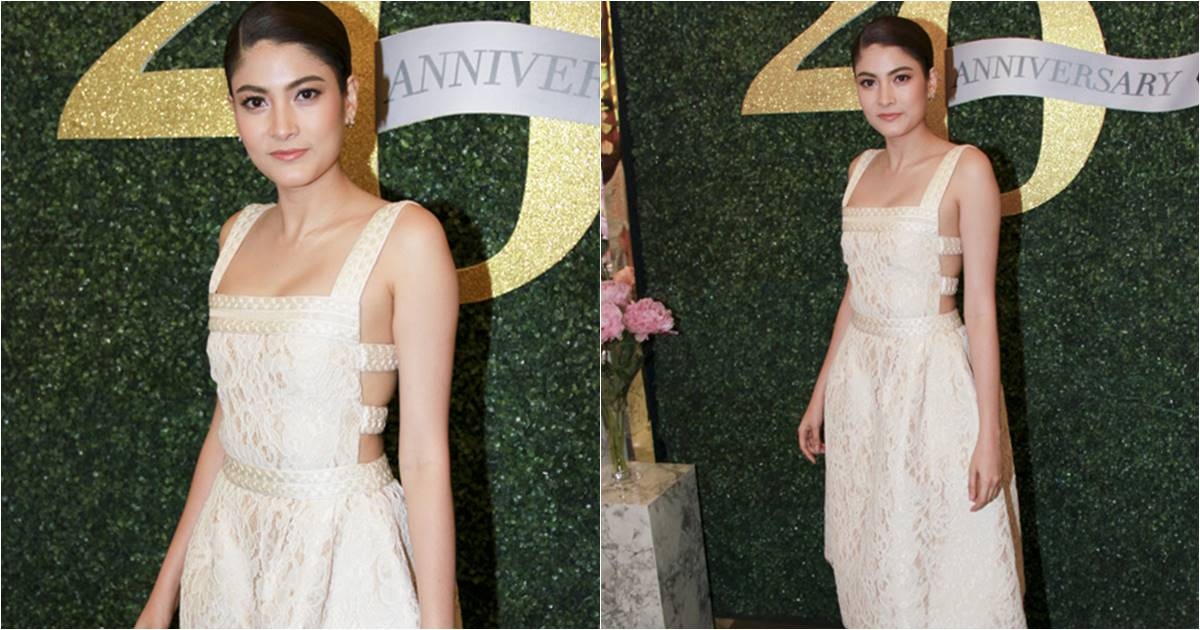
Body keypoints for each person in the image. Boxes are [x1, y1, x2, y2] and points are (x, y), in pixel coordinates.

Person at [134, 3, 459, 627]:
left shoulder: (407, 239)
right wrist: (161, 597)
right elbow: (230, 425)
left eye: (306, 94)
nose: (282, 126)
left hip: (346, 560)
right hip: (228, 559)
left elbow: (423, 456)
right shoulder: (236, 234)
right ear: (234, 112)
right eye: (255, 101)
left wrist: (438, 622)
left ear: (350, 98)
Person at [795, 15, 1026, 628]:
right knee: (870, 553)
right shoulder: (859, 168)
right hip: (861, 387)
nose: (885, 97)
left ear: (931, 82)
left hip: (933, 387)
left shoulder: (967, 168)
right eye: (868, 82)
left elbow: (981, 307)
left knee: (941, 556)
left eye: (900, 78)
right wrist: (820, 394)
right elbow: (857, 291)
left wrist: (987, 434)